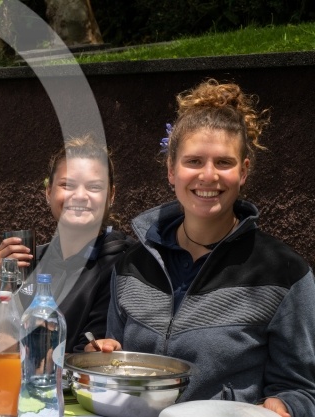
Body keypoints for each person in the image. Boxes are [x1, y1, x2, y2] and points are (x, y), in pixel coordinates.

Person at [89, 79, 315, 417]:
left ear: (243, 172)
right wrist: (104, 360)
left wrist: (283, 406)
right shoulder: (131, 266)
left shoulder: (285, 274)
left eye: (223, 162)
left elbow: (303, 391)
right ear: (171, 170)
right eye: (194, 161)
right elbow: (118, 365)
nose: (208, 176)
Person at [0, 135, 134, 352]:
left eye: (94, 187)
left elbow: (95, 352)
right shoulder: (31, 259)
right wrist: (0, 281)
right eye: (67, 185)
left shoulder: (125, 263)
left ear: (111, 195)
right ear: (48, 192)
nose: (79, 196)